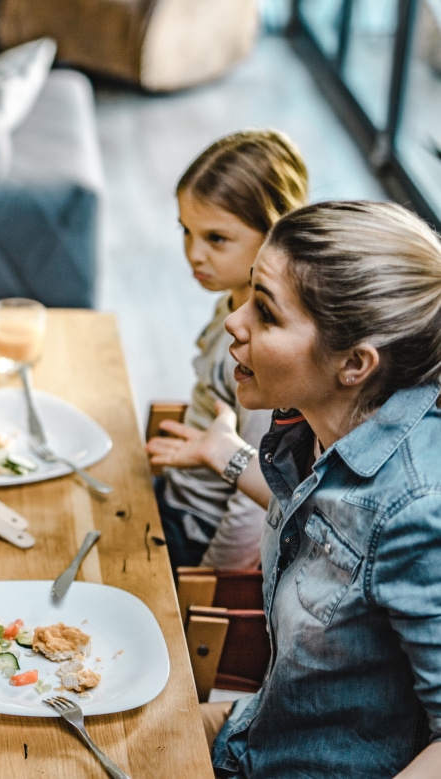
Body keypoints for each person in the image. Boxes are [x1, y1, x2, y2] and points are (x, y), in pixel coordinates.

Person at [209, 200, 441, 776]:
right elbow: (330, 533)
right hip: (255, 740)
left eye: (265, 312)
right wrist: (227, 459)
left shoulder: (421, 507)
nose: (234, 322)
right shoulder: (310, 426)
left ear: (355, 365)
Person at [146, 129, 308, 570]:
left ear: (275, 234)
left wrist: (206, 583)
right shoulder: (233, 300)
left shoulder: (263, 351)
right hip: (177, 496)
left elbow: (258, 502)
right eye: (186, 231)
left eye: (216, 238)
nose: (193, 254)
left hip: (197, 534)